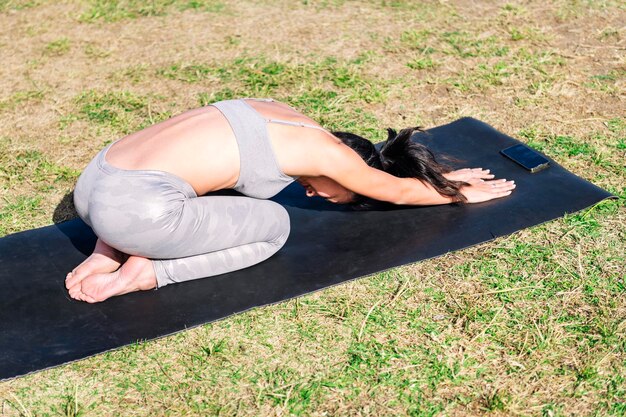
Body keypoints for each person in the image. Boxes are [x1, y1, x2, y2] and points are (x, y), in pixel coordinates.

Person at [65, 98, 516, 303]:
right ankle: (145, 272)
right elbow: (395, 189)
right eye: (345, 195)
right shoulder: (329, 157)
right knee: (275, 225)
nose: (319, 196)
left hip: (94, 182)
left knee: (198, 188)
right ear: (356, 171)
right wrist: (455, 193)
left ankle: (105, 251)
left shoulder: (283, 115)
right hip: (132, 211)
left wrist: (439, 175)